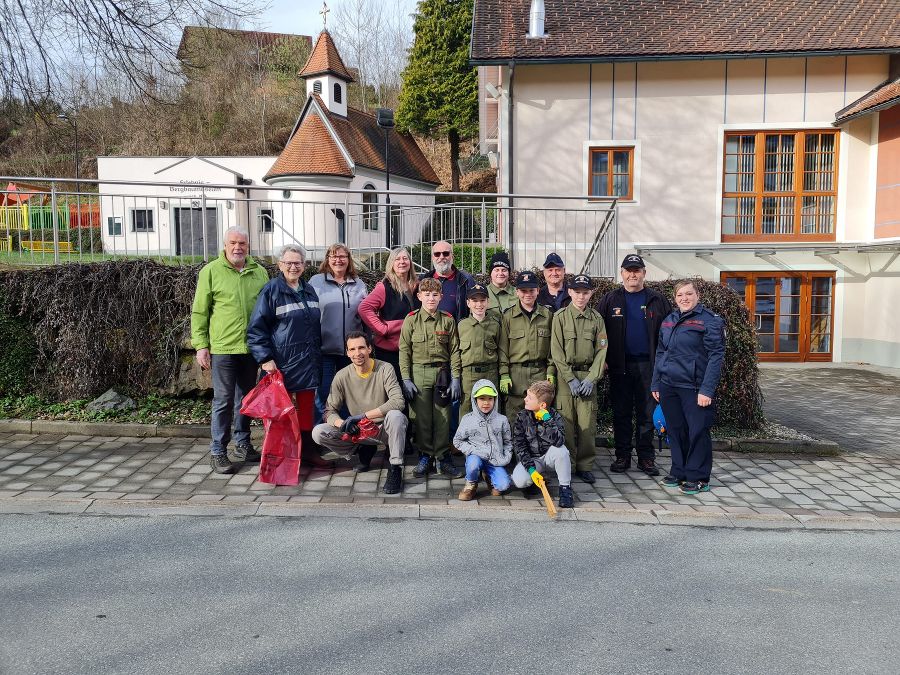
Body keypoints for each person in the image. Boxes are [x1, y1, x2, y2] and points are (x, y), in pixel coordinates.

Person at [191, 226, 269, 474]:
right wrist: (201, 345)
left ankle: (243, 444)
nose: (238, 248)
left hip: (251, 348)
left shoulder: (260, 272)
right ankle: (218, 451)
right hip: (223, 348)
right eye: (233, 243)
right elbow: (200, 311)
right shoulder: (211, 272)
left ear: (248, 246)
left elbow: (267, 311)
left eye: (242, 244)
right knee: (223, 400)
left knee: (246, 400)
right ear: (225, 245)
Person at [596, 253, 671, 476]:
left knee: (646, 413)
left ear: (644, 274)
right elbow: (598, 333)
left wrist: (664, 363)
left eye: (636, 270)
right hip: (619, 366)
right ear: (622, 274)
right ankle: (622, 455)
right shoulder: (610, 299)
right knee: (621, 412)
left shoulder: (657, 300)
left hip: (649, 366)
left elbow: (669, 334)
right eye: (628, 270)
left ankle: (646, 458)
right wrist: (603, 359)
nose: (632, 274)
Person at [651, 279, 726, 495]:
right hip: (669, 385)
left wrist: (707, 390)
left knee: (697, 432)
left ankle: (698, 476)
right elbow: (661, 353)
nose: (684, 298)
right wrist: (656, 382)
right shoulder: (669, 320)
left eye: (688, 294)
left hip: (694, 387)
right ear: (675, 299)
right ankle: (679, 470)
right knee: (675, 430)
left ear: (697, 295)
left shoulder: (710, 321)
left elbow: (715, 357)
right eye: (680, 295)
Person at [247, 244, 322, 454]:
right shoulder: (271, 290)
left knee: (307, 411)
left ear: (304, 265)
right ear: (280, 265)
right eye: (288, 263)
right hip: (281, 365)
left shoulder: (309, 290)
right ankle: (283, 458)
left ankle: (308, 453)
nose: (293, 267)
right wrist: (264, 358)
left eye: (297, 263)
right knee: (281, 414)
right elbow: (256, 328)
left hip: (307, 362)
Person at [311, 332, 408, 494]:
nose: (358, 353)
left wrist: (363, 416)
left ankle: (395, 468)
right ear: (347, 353)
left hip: (383, 428)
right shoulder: (341, 376)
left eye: (362, 347)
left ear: (370, 348)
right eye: (353, 349)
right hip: (359, 432)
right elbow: (329, 412)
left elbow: (398, 401)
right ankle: (361, 449)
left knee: (396, 416)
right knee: (318, 432)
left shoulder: (385, 368)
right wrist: (344, 424)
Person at [399, 277, 464, 478]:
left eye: (435, 295)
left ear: (441, 297)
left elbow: (454, 350)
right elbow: (404, 351)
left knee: (443, 417)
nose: (431, 299)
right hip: (419, 373)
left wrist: (456, 378)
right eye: (426, 295)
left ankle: (443, 457)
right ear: (419, 296)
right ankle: (425, 456)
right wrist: (406, 379)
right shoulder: (411, 320)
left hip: (442, 374)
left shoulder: (447, 319)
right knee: (422, 418)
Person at [550, 274, 608, 483]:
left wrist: (592, 378)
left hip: (587, 378)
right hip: (567, 378)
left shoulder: (597, 319)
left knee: (586, 425)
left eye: (586, 292)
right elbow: (556, 351)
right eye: (577, 292)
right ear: (570, 292)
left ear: (591, 293)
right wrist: (569, 378)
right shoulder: (560, 317)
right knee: (565, 424)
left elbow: (602, 350)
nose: (581, 296)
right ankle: (568, 463)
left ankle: (584, 465)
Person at [308, 243, 368, 425]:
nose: (338, 260)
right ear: (327, 259)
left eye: (342, 256)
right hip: (324, 349)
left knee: (348, 393)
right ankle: (320, 434)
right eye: (333, 256)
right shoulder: (316, 282)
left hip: (352, 352)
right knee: (323, 393)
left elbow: (366, 314)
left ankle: (345, 433)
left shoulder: (359, 284)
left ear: (349, 260)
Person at [499, 271, 555, 427]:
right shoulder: (508, 317)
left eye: (531, 290)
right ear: (517, 292)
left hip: (540, 373)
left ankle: (540, 451)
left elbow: (552, 349)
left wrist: (551, 371)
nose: (527, 294)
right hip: (515, 376)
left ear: (538, 290)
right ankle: (516, 452)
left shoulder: (548, 316)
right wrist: (504, 374)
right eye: (523, 291)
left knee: (541, 419)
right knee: (514, 419)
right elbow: (502, 349)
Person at [358, 247, 420, 386]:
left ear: (410, 262)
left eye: (405, 258)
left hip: (413, 349)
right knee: (394, 392)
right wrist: (382, 329)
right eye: (397, 259)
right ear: (391, 263)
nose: (402, 262)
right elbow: (364, 308)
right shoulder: (384, 287)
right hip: (390, 351)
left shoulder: (417, 285)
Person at [510, 380, 574, 509]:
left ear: (543, 404)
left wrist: (548, 421)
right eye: (526, 396)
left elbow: (559, 441)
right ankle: (534, 480)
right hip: (533, 460)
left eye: (530, 397)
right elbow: (519, 446)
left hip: (548, 457)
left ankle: (565, 489)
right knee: (519, 480)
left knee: (562, 451)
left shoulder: (554, 416)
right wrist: (531, 470)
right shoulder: (522, 417)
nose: (525, 399)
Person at [454, 380, 512, 500]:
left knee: (503, 485)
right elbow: (457, 441)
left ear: (495, 400)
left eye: (490, 398)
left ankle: (489, 476)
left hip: (495, 460)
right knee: (473, 464)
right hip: (476, 456)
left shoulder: (502, 420)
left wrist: (506, 456)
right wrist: (472, 450)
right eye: (482, 398)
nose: (486, 403)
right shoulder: (467, 419)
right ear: (475, 400)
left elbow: (508, 442)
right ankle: (471, 484)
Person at [457, 283, 502, 415]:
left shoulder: (495, 325)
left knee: (491, 410)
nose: (479, 304)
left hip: (490, 373)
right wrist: (456, 378)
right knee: (467, 410)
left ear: (488, 302)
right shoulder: (461, 325)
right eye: (474, 301)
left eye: (482, 300)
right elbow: (456, 353)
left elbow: (501, 350)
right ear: (468, 303)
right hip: (468, 375)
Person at [419, 240, 476, 321]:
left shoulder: (466, 280)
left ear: (452, 256)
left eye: (445, 253)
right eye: (437, 254)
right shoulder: (422, 280)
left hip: (456, 331)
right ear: (432, 258)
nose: (441, 257)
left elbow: (475, 308)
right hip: (428, 332)